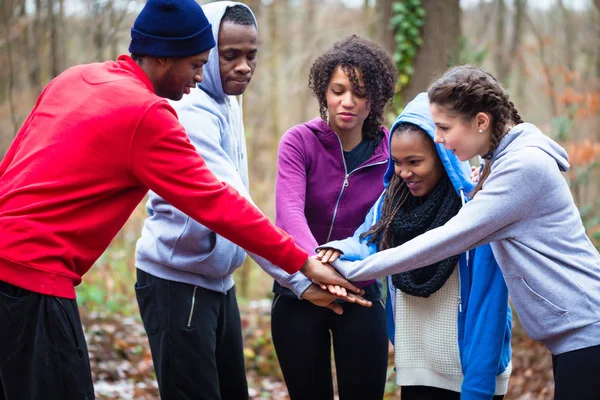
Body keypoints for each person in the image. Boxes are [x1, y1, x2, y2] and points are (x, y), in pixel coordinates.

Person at [0, 1, 363, 398]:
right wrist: (303, 262)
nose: (199, 75)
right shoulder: (149, 115)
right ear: (161, 57)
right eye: (194, 65)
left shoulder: (76, 77)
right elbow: (216, 203)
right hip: (32, 280)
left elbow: (13, 162)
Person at [318, 65, 600, 400]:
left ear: (481, 122)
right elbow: (369, 233)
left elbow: (446, 240)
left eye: (444, 127)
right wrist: (343, 253)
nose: (438, 138)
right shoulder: (500, 164)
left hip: (588, 329)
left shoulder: (521, 169)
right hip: (576, 333)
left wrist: (353, 270)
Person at [133, 3, 361, 399]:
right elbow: (233, 207)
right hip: (177, 281)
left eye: (250, 54)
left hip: (217, 283)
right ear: (203, 52)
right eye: (229, 55)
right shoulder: (189, 110)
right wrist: (299, 279)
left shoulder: (226, 100)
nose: (243, 67)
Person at [318, 93, 512, 400]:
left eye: (415, 162)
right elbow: (366, 241)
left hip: (470, 375)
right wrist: (340, 249)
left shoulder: (476, 209)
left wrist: (478, 387)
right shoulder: (391, 204)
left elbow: (490, 305)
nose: (404, 172)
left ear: (442, 157)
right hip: (416, 364)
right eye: (396, 162)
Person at [267, 35, 397, 400]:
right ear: (324, 92)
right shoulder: (299, 142)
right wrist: (314, 268)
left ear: (375, 98)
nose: (348, 101)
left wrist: (345, 268)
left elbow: (383, 224)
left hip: (361, 291)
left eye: (359, 92)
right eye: (338, 90)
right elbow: (289, 211)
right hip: (298, 290)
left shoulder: (392, 152)